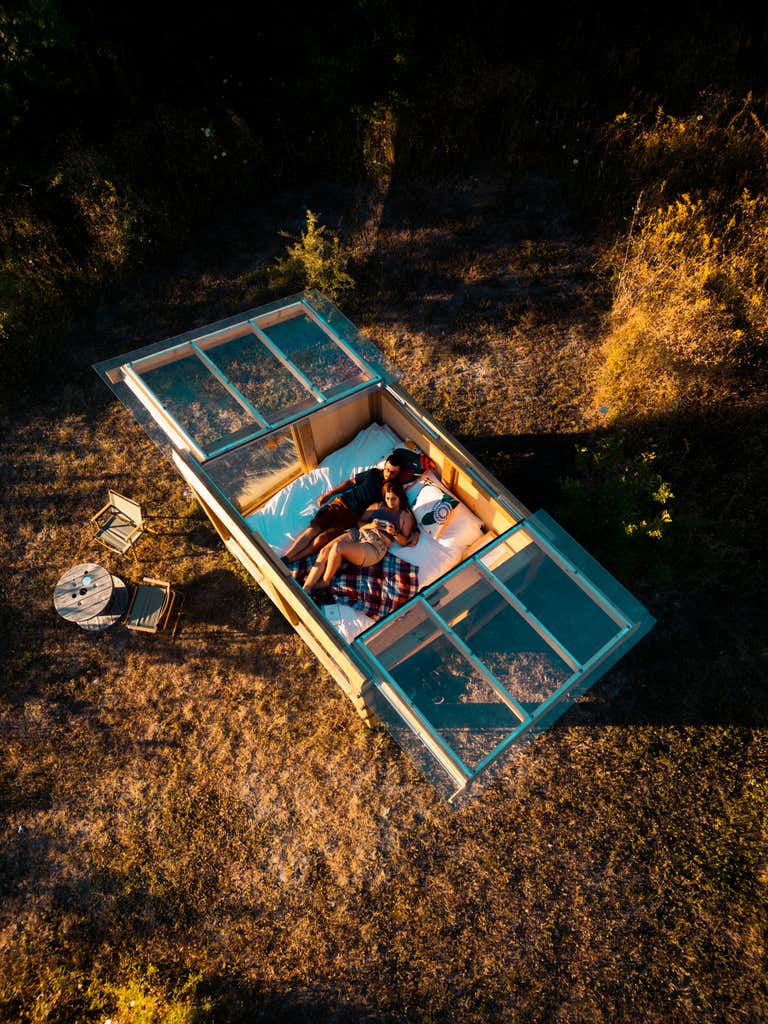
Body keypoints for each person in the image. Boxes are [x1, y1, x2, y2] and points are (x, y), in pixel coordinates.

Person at [282, 451, 406, 563]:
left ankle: (292, 560)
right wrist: (329, 494)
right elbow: (351, 482)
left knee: (321, 539)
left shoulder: (393, 489)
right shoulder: (373, 472)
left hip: (351, 516)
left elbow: (404, 507)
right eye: (387, 470)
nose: (388, 474)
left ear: (398, 473)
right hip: (341, 502)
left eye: (393, 473)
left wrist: (413, 533)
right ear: (385, 466)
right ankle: (286, 557)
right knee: (313, 529)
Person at [302, 479, 417, 596]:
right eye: (387, 498)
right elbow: (359, 522)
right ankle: (306, 588)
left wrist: (395, 533)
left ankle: (325, 582)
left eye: (393, 499)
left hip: (375, 546)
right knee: (324, 551)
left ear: (400, 497)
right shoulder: (377, 506)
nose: (390, 502)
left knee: (338, 547)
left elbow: (404, 542)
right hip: (360, 533)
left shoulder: (404, 516)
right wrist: (371, 525)